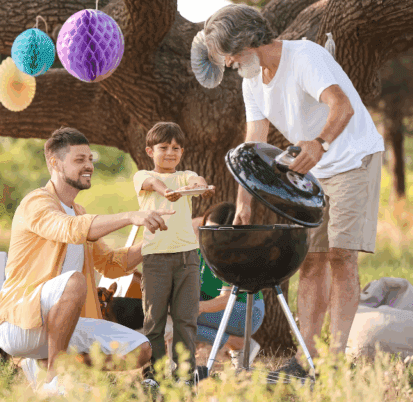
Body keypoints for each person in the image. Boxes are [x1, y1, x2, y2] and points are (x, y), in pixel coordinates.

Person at [203, 5, 385, 377]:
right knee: (312, 259)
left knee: (341, 255)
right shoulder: (251, 81)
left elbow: (342, 106)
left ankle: (334, 362)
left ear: (249, 43)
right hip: (314, 170)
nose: (232, 63)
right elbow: (254, 142)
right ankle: (306, 358)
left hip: (353, 157)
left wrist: (319, 143)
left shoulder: (305, 57)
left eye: (232, 54)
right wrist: (244, 201)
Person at [0, 127, 172, 395]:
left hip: (64, 325)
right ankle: (54, 377)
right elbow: (69, 228)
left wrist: (152, 244)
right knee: (74, 282)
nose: (88, 165)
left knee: (141, 349)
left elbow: (111, 264)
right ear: (55, 163)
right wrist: (130, 216)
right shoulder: (36, 203)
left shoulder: (79, 211)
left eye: (90, 159)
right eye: (79, 160)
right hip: (20, 323)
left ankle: (57, 370)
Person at [133, 122, 215, 379]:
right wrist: (165, 191)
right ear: (149, 151)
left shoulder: (184, 176)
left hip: (187, 259)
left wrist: (199, 187)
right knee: (154, 321)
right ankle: (154, 377)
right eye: (164, 147)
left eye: (176, 148)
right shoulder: (142, 176)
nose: (170, 152)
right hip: (155, 259)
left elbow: (196, 180)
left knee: (185, 321)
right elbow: (151, 183)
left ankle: (185, 377)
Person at [194, 202, 264, 370]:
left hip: (246, 311)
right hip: (217, 306)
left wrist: (196, 307)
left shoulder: (234, 257)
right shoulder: (200, 246)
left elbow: (226, 300)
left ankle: (238, 343)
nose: (210, 237)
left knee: (181, 318)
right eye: (207, 229)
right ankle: (237, 344)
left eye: (218, 234)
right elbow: (189, 224)